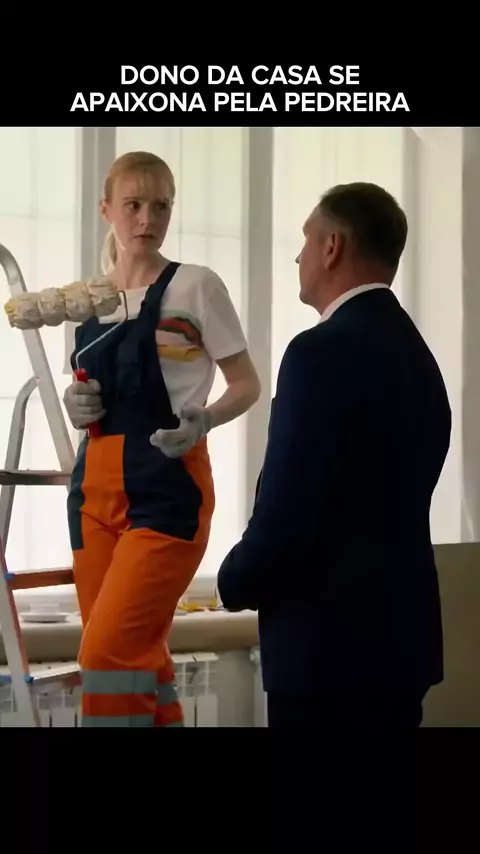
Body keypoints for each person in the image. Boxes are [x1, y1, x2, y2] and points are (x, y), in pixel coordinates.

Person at [217, 181, 452, 728]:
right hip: (401, 646)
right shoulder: (420, 357)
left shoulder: (318, 353)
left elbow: (289, 513)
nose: (298, 256)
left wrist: (232, 580)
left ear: (332, 247)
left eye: (306, 239)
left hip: (326, 654)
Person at [63, 150, 261, 727]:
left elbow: (247, 384)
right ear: (106, 209)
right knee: (137, 660)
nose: (147, 219)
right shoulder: (86, 302)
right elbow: (85, 395)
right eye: (133, 205)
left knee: (105, 655)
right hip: (91, 494)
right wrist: (77, 404)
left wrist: (205, 419)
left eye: (161, 206)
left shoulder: (195, 286)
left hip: (168, 489)